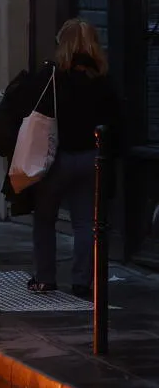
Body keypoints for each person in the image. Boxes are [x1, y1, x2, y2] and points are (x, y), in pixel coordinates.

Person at [25, 18, 121, 298]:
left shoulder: (52, 78)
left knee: (44, 219)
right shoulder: (103, 80)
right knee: (85, 224)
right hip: (92, 158)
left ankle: (45, 278)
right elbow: (116, 122)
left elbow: (34, 113)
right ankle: (82, 282)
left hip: (57, 157)